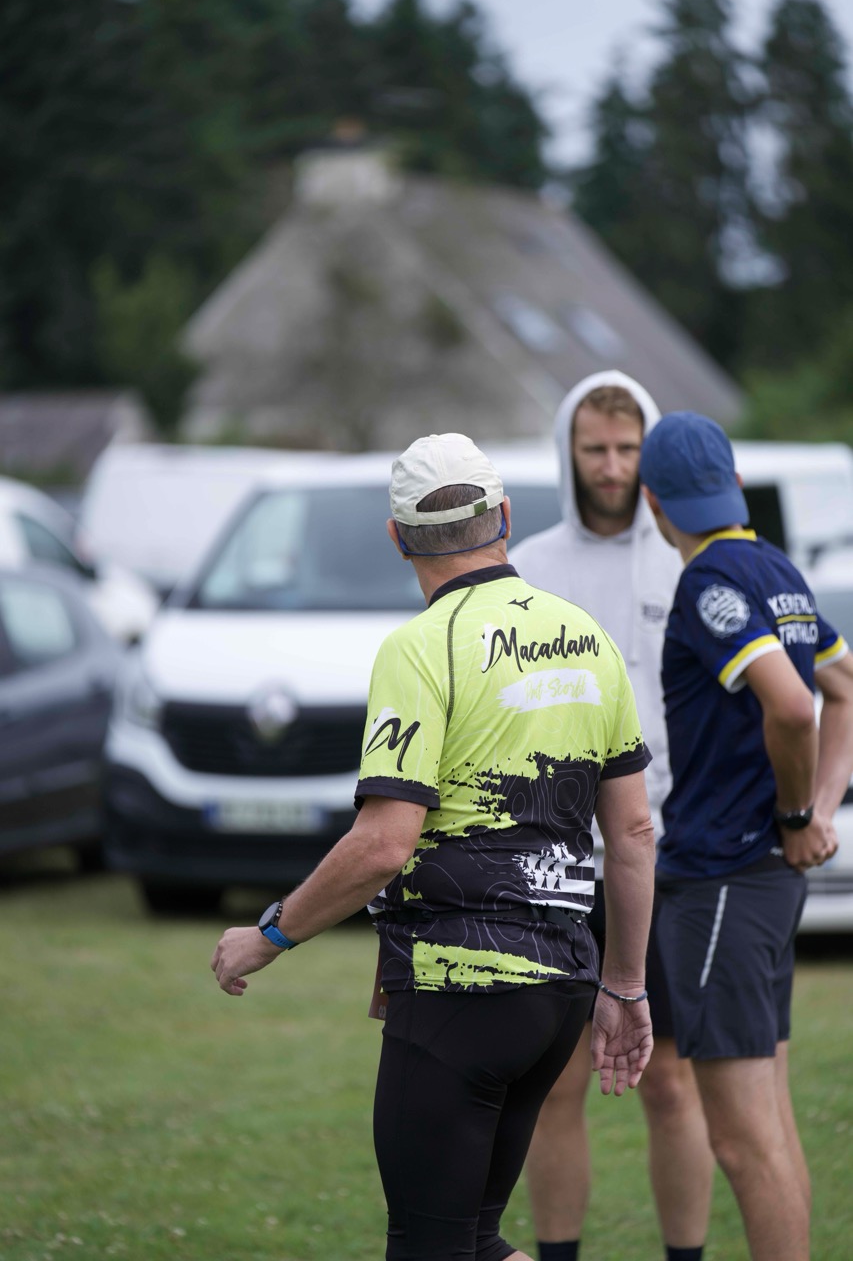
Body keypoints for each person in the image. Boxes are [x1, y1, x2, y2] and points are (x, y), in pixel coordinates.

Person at [211, 431, 658, 1261]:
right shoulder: (586, 637)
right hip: (561, 989)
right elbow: (631, 831)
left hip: (463, 990)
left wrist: (270, 934)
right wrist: (624, 985)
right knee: (472, 1242)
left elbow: (384, 843)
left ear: (396, 537)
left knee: (428, 1245)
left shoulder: (419, 648)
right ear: (505, 517)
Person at [639, 411, 853, 1261]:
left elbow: (795, 706)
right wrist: (821, 808)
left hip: (721, 879)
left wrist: (802, 814)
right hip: (762, 882)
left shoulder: (708, 582)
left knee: (741, 1141)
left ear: (653, 502)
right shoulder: (777, 567)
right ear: (730, 484)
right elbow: (843, 685)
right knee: (772, 1127)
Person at [512, 372, 714, 1261]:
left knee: (670, 1083)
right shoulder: (529, 570)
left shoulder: (684, 564)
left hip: (664, 856)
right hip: (555, 860)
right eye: (593, 448)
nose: (610, 466)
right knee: (554, 1083)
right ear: (567, 451)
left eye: (626, 449)